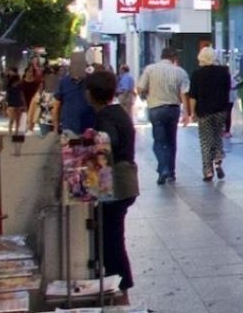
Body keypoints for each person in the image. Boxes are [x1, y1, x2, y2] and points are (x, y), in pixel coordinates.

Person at [85, 70, 137, 301]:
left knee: (111, 240)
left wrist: (93, 147)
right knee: (112, 237)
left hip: (116, 183)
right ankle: (117, 290)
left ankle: (120, 291)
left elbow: (109, 141)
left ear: (90, 94)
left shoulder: (105, 116)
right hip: (125, 181)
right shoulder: (117, 111)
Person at [137, 47, 189, 185]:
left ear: (161, 56)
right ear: (174, 58)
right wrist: (186, 113)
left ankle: (163, 168)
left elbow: (140, 88)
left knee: (159, 141)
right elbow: (184, 93)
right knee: (171, 141)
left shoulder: (150, 69)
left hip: (155, 108)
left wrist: (147, 94)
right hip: (173, 109)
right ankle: (171, 171)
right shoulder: (180, 72)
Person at [187, 47, 231, 182]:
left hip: (204, 111)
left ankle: (208, 171)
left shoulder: (197, 74)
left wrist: (192, 112)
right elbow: (228, 89)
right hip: (220, 110)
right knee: (217, 136)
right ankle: (217, 159)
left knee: (206, 140)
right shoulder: (223, 72)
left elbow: (193, 96)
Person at [54, 65, 96, 136]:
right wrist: (56, 127)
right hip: (69, 127)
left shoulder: (91, 81)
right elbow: (56, 106)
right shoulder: (63, 82)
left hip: (89, 128)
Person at [4, 67, 27, 136]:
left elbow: (22, 95)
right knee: (11, 119)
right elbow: (6, 97)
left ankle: (16, 132)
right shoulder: (9, 88)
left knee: (18, 120)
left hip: (18, 104)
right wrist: (4, 106)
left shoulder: (19, 87)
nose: (19, 81)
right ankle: (10, 132)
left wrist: (24, 104)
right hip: (11, 104)